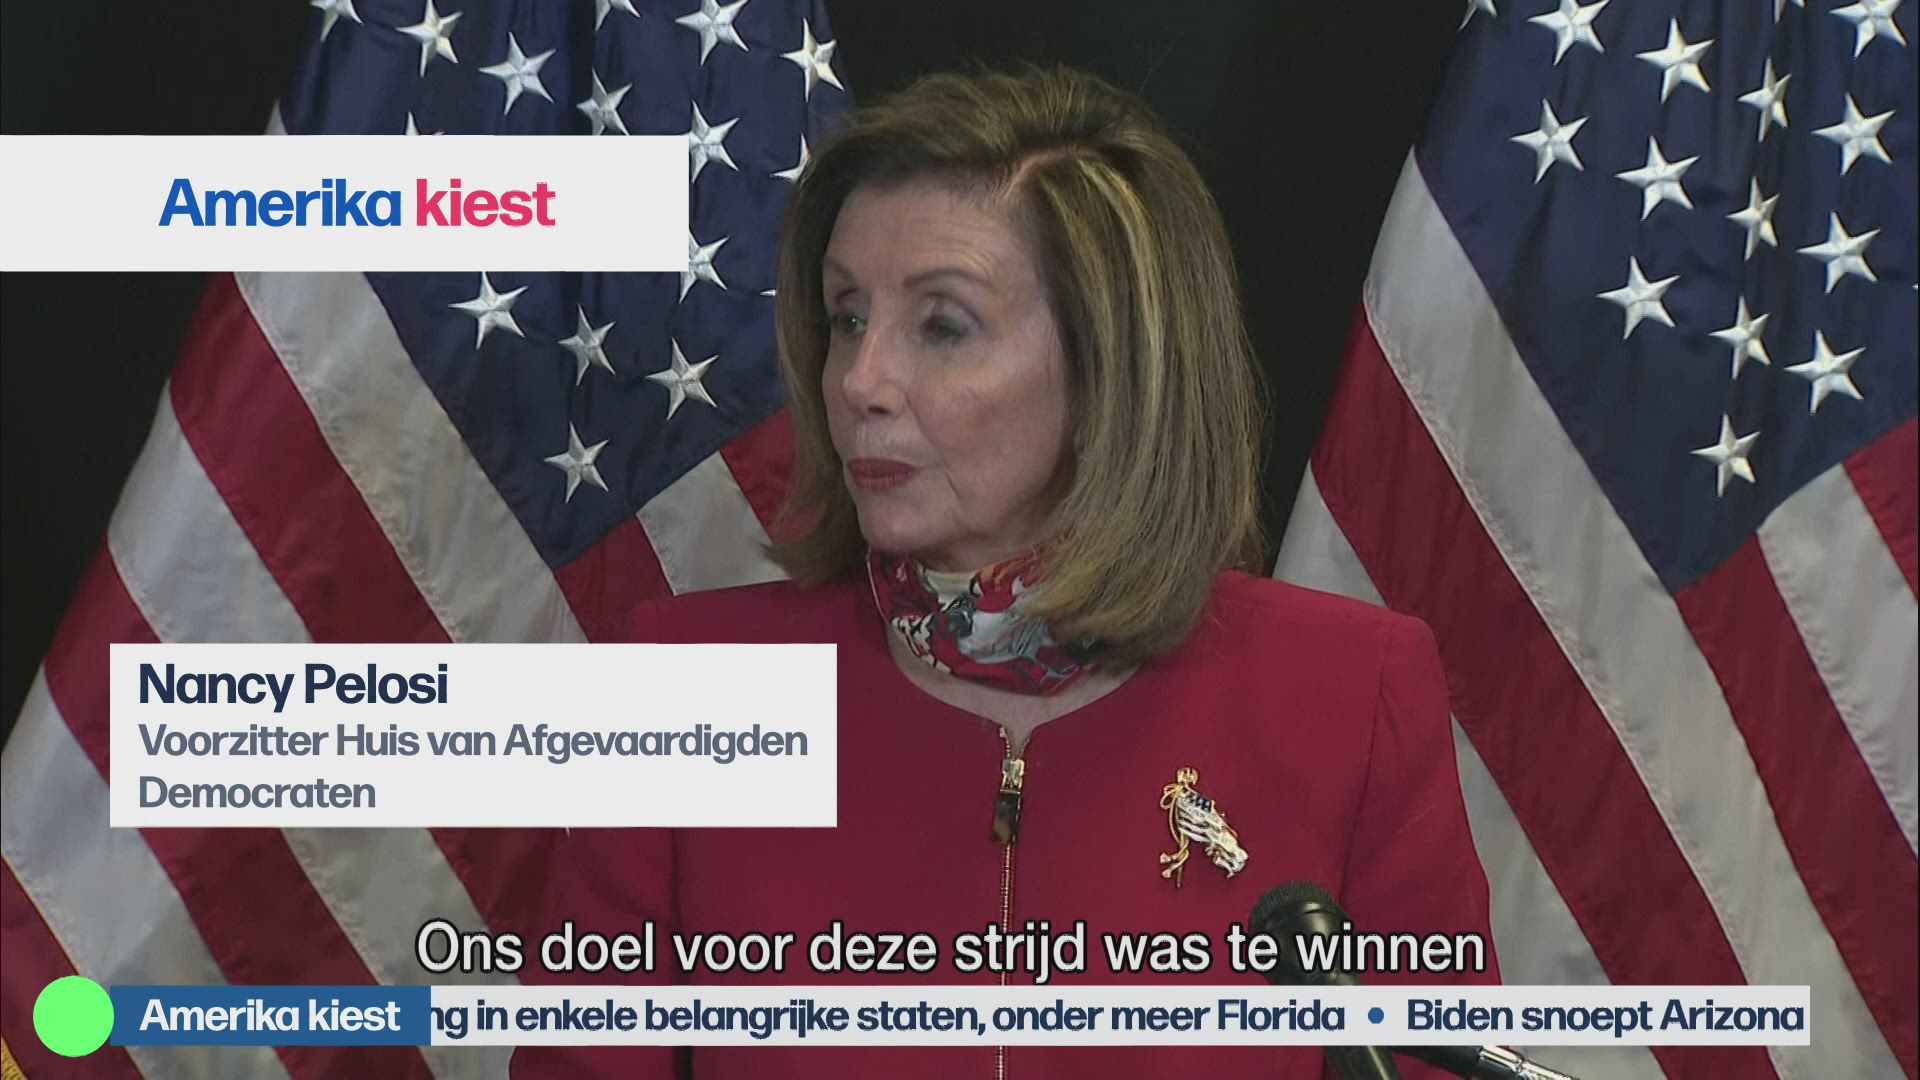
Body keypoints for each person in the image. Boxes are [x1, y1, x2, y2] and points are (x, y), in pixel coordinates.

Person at [521, 64, 1497, 1079]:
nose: (861, 380)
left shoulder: (1353, 694)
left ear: (1109, 367)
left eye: (941, 325)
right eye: (848, 315)